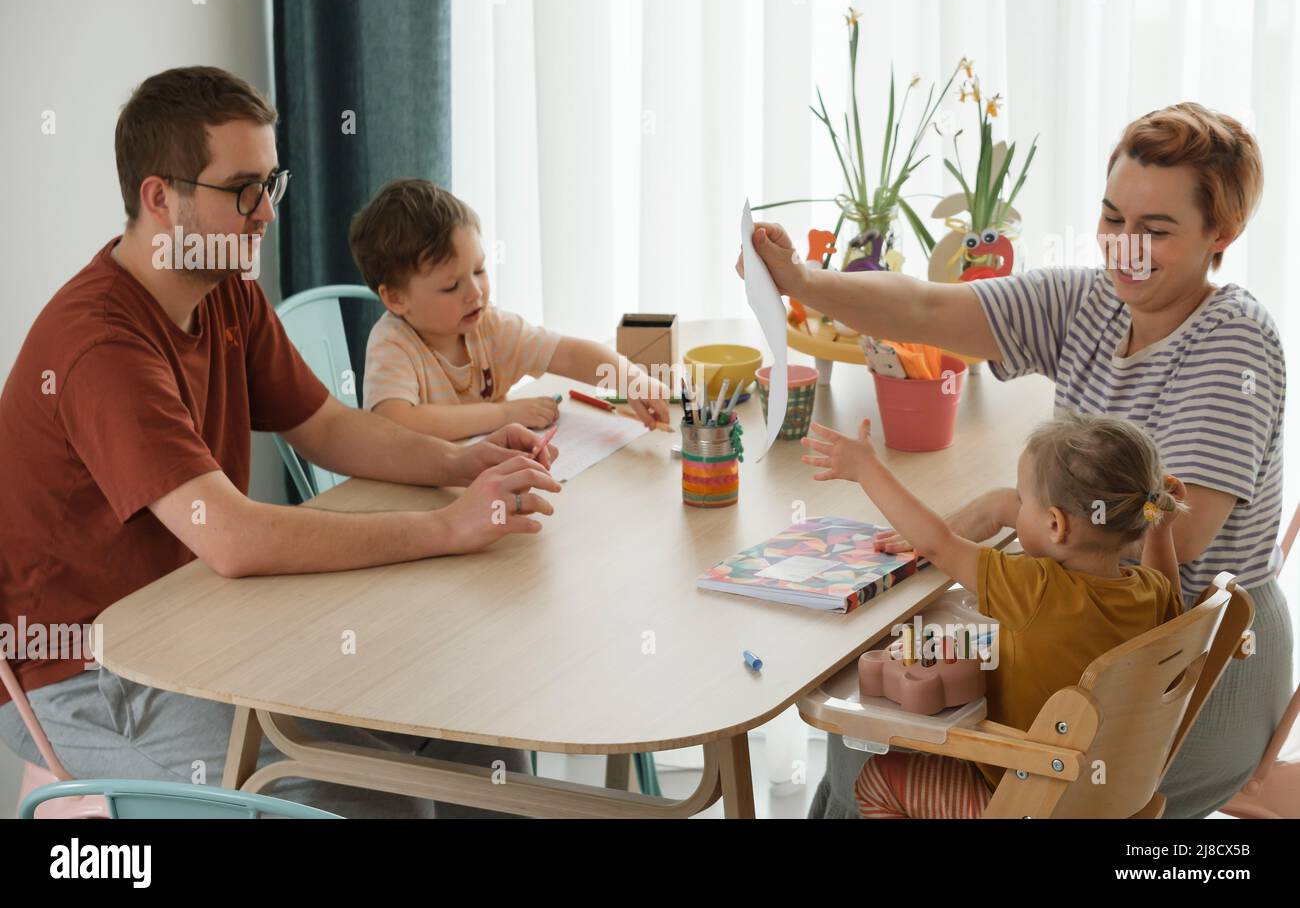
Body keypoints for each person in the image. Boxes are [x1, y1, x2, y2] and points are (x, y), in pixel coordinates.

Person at [0, 66, 561, 817]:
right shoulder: (99, 342)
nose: (266, 213)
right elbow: (230, 537)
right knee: (360, 798)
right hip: (83, 672)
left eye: (273, 183)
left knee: (474, 724)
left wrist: (465, 462)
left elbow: (328, 427)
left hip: (198, 616)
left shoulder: (225, 288)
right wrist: (445, 527)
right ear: (160, 199)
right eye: (242, 190)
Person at [740, 101, 1290, 819]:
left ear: (1224, 232)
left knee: (874, 743)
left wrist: (1007, 509)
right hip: (1089, 640)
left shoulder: (1235, 344)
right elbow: (933, 311)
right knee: (870, 718)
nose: (1122, 249)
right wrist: (803, 285)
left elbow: (1164, 544)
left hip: (1191, 676)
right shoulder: (1090, 301)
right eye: (1112, 218)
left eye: (1154, 231)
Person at [802, 413, 1185, 816]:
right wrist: (1163, 530)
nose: (1014, 509)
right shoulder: (1150, 591)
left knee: (879, 779)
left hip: (1025, 799)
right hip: (1100, 797)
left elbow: (936, 543)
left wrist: (866, 470)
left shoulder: (1034, 587)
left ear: (1055, 524)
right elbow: (1174, 607)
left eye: (1022, 501)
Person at [354, 178, 672, 439]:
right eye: (452, 286)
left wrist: (631, 378)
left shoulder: (488, 325)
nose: (476, 292)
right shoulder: (393, 344)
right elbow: (396, 423)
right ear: (396, 299)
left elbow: (569, 354)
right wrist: (504, 414)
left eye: (479, 270)